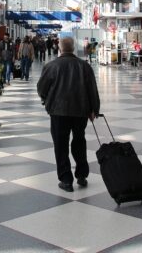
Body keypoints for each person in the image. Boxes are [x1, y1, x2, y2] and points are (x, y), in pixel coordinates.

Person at [37, 37, 100, 192]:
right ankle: (82, 175)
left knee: (60, 145)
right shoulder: (84, 66)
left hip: (58, 112)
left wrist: (46, 101)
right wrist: (94, 110)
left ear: (60, 48)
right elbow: (92, 89)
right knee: (79, 141)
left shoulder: (51, 66)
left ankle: (66, 180)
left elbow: (41, 88)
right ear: (73, 48)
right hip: (80, 111)